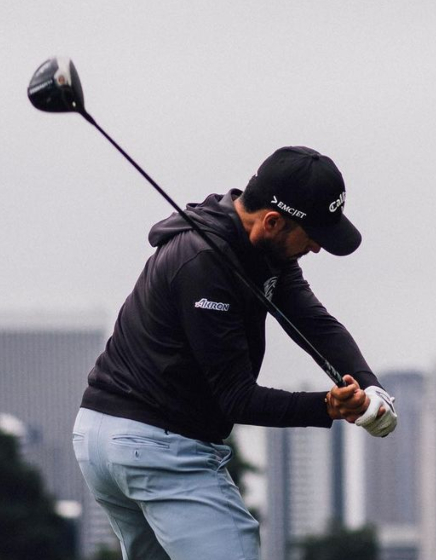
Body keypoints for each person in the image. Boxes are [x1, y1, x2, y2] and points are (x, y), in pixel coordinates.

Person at [72, 146, 397, 560]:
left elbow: (314, 322)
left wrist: (371, 390)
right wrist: (327, 407)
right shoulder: (205, 265)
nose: (316, 248)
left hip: (103, 436)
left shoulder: (264, 251)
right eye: (312, 236)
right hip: (154, 444)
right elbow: (237, 397)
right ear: (273, 221)